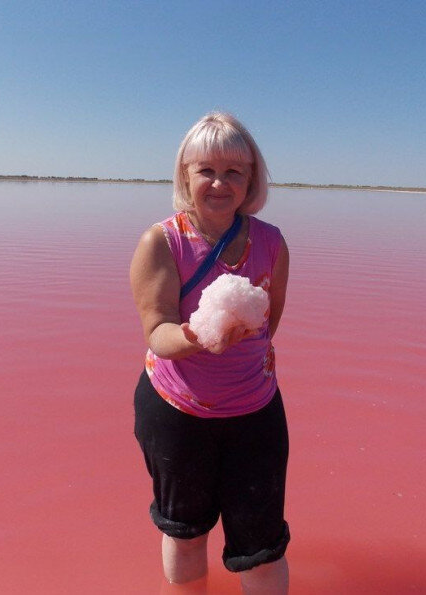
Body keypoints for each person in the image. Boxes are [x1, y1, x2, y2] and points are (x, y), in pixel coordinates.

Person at [130, 112, 291, 594]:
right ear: (185, 175)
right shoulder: (161, 241)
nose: (220, 182)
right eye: (206, 170)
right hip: (177, 413)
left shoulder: (273, 241)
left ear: (250, 179)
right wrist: (199, 337)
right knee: (186, 534)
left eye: (234, 171)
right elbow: (157, 332)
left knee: (261, 548)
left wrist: (241, 349)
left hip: (255, 413)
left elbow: (270, 322)